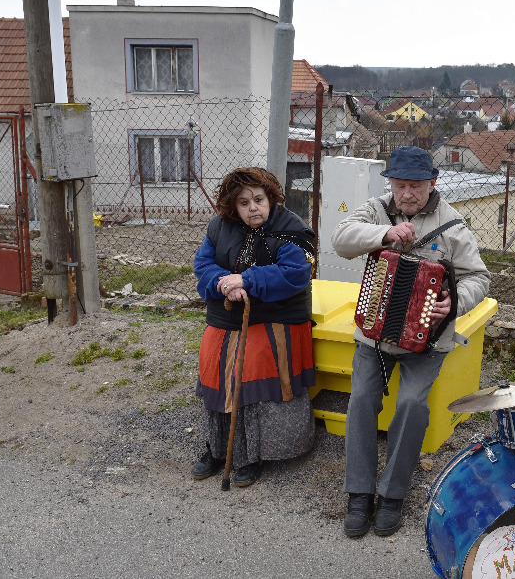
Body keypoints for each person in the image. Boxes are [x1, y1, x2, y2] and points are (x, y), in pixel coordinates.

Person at [331, 146, 490, 538]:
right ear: (390, 184)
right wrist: (383, 234)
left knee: (412, 404)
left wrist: (455, 303)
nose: (406, 194)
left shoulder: (452, 224)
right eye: (399, 185)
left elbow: (479, 278)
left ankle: (392, 495)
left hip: (428, 339)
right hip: (374, 333)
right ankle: (359, 493)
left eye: (415, 186)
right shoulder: (375, 210)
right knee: (361, 398)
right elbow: (341, 239)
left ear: (432, 183)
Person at [191, 167, 317, 487]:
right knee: (214, 363)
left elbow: (295, 272)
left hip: (277, 315)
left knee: (252, 366)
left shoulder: (290, 228)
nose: (253, 209)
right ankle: (218, 448)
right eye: (244, 203)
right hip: (227, 313)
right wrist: (223, 283)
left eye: (259, 200)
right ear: (233, 207)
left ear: (270, 199)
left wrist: (247, 280)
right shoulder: (219, 227)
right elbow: (203, 264)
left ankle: (253, 454)